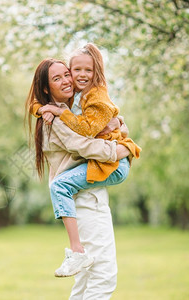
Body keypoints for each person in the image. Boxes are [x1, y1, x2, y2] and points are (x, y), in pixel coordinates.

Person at [28, 44, 141, 277]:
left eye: (66, 74)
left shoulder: (81, 101)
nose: (73, 78)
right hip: (99, 171)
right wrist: (44, 109)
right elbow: (80, 141)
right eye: (62, 76)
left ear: (95, 71)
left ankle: (77, 251)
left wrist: (121, 141)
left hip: (108, 166)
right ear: (47, 88)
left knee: (99, 273)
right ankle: (77, 252)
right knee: (96, 275)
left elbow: (92, 133)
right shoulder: (62, 110)